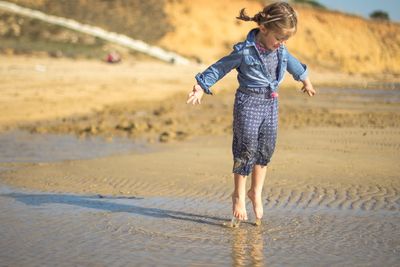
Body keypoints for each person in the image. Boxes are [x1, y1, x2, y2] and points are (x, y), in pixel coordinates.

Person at [186, 1, 315, 226]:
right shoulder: (244, 51)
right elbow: (220, 67)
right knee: (246, 149)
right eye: (279, 38)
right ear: (264, 28)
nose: (282, 43)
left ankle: (255, 192)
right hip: (248, 103)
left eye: (286, 40)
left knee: (265, 149)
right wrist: (200, 86)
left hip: (270, 104)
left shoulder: (281, 49)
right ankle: (238, 195)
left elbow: (292, 63)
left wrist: (305, 79)